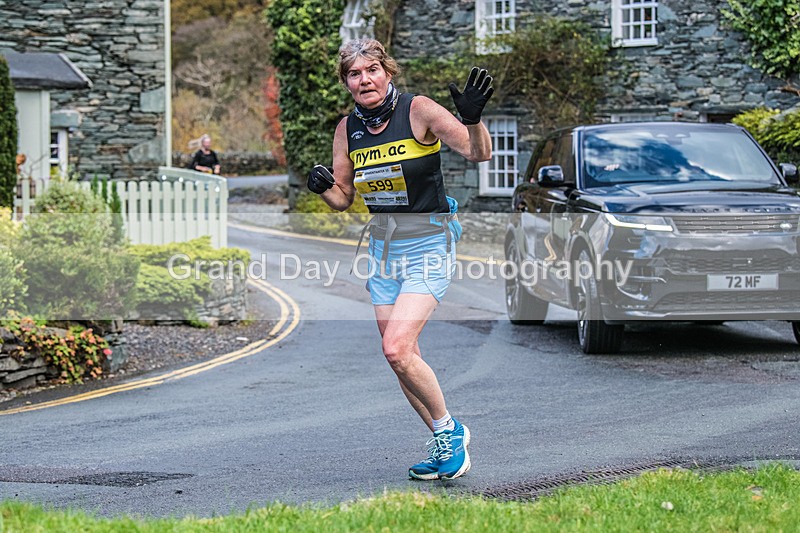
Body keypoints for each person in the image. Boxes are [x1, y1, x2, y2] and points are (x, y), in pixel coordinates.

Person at [307, 38, 493, 481]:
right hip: (383, 251)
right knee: (399, 357)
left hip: (428, 244)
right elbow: (344, 197)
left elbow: (478, 152)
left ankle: (450, 433)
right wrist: (323, 187)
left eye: (371, 69)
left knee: (397, 346)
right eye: (354, 73)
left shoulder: (419, 110)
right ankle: (443, 440)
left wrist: (473, 119)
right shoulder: (346, 129)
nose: (364, 79)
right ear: (347, 82)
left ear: (387, 72)